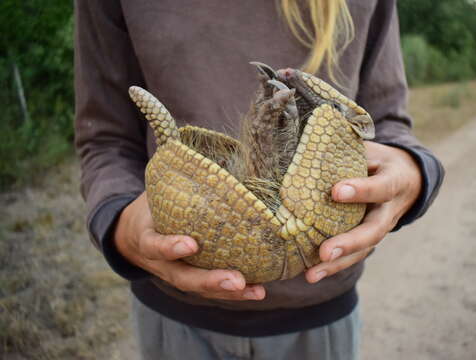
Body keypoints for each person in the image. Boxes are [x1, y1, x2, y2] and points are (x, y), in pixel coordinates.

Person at [75, 0, 444, 359]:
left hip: (318, 311)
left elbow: (384, 126)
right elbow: (106, 137)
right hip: (174, 310)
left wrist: (411, 170)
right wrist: (122, 225)